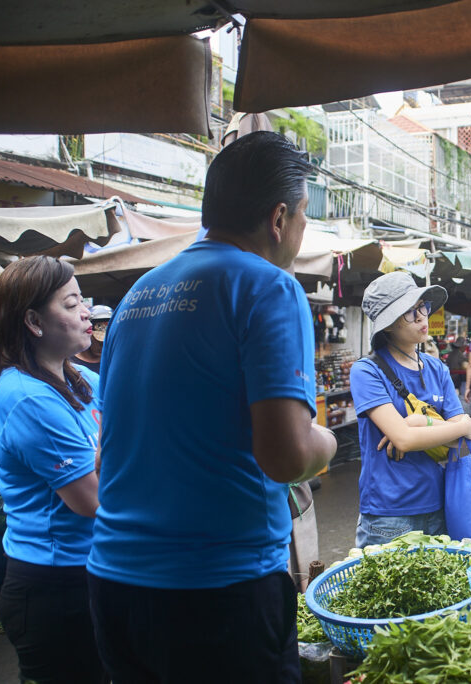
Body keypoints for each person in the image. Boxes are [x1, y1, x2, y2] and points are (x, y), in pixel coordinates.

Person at [87, 132, 336, 683]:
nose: (300, 232)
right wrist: (329, 443)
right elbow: (287, 457)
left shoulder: (137, 296)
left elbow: (107, 453)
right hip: (217, 592)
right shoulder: (267, 285)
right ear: (278, 217)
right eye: (301, 217)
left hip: (115, 585)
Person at [0, 256, 106, 684]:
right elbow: (91, 500)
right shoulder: (27, 398)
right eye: (72, 304)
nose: (87, 311)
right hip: (54, 590)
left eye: (83, 301)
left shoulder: (81, 379)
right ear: (34, 321)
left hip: (93, 572)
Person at [350, 272, 471, 547]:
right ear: (388, 325)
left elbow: (465, 436)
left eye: (423, 307)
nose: (422, 317)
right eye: (409, 312)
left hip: (439, 504)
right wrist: (455, 426)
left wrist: (420, 424)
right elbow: (404, 439)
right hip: (389, 516)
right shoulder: (366, 371)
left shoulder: (436, 368)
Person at [71, 304, 112, 373]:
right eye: (99, 342)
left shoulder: (113, 361)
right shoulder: (70, 364)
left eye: (108, 341)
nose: (103, 345)